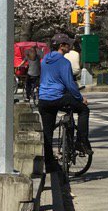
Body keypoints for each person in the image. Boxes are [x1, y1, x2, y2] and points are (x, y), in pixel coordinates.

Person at [38, 34, 91, 172]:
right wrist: (80, 99)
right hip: (58, 98)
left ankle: (49, 164)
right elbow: (70, 84)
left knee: (48, 132)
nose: (70, 46)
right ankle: (81, 141)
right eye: (68, 44)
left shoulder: (44, 60)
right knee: (84, 110)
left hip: (44, 99)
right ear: (62, 46)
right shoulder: (64, 62)